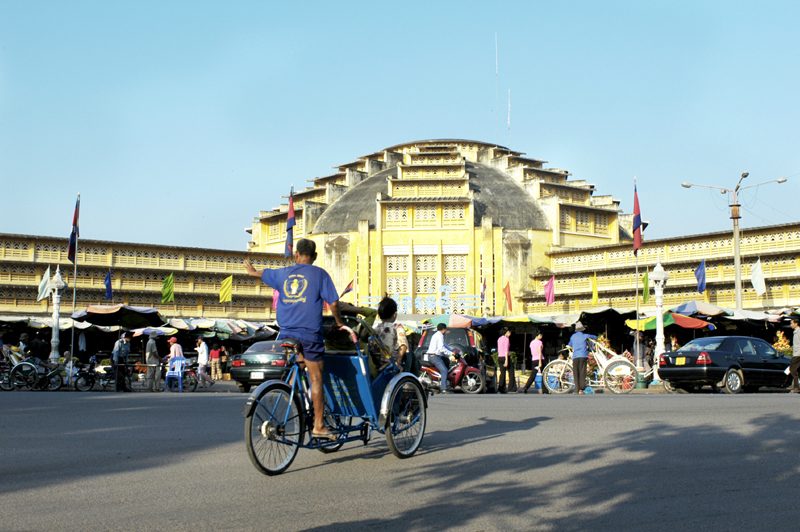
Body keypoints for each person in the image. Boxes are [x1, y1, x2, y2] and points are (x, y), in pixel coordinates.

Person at [244, 238, 345, 441]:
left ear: (296, 255)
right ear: (314, 257)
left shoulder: (283, 273)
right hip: (309, 334)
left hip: (286, 333)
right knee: (316, 378)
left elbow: (263, 273)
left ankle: (298, 397)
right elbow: (333, 302)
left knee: (299, 365)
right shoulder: (319, 274)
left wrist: (253, 271)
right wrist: (338, 321)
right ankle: (318, 425)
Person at [373, 296, 409, 371]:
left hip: (377, 365)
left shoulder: (375, 329)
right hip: (391, 365)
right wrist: (397, 363)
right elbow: (403, 346)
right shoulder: (397, 328)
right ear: (395, 314)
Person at [568, 322, 596, 395]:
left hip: (575, 357)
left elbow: (569, 345)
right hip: (583, 356)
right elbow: (595, 337)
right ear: (582, 329)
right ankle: (582, 387)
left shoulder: (572, 337)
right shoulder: (585, 335)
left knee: (576, 372)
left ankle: (576, 390)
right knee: (582, 372)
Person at [424, 323, 453, 394]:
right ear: (443, 329)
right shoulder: (439, 335)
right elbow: (441, 348)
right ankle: (443, 388)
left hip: (436, 356)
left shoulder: (438, 335)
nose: (446, 331)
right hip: (434, 356)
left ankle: (444, 382)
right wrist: (451, 353)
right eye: (446, 329)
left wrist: (452, 349)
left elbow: (444, 345)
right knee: (444, 370)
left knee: (447, 361)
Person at [497, 327, 512, 393]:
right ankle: (509, 387)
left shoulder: (499, 339)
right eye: (509, 332)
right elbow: (506, 350)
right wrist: (506, 360)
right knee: (510, 372)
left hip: (499, 356)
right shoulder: (506, 339)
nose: (510, 334)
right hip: (505, 357)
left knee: (502, 373)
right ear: (505, 332)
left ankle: (501, 388)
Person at [788, 319, 800, 393]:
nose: (790, 325)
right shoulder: (795, 332)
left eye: (791, 323)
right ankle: (795, 386)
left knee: (792, 370)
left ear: (796, 323)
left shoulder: (799, 332)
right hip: (796, 353)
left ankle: (796, 387)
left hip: (798, 354)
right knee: (797, 370)